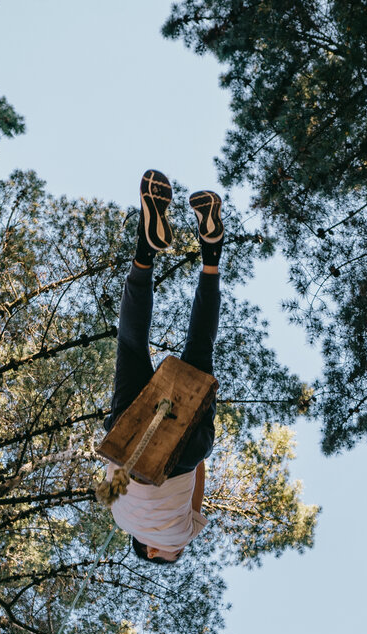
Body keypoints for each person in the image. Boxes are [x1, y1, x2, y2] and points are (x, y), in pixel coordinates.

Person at [104, 169, 224, 565]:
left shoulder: (184, 533)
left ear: (152, 551)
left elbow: (196, 485)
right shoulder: (118, 517)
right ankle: (144, 251)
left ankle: (211, 255)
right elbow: (111, 476)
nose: (179, 550)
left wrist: (191, 433)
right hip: (127, 445)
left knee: (200, 352)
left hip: (182, 455)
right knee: (130, 344)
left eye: (173, 556)